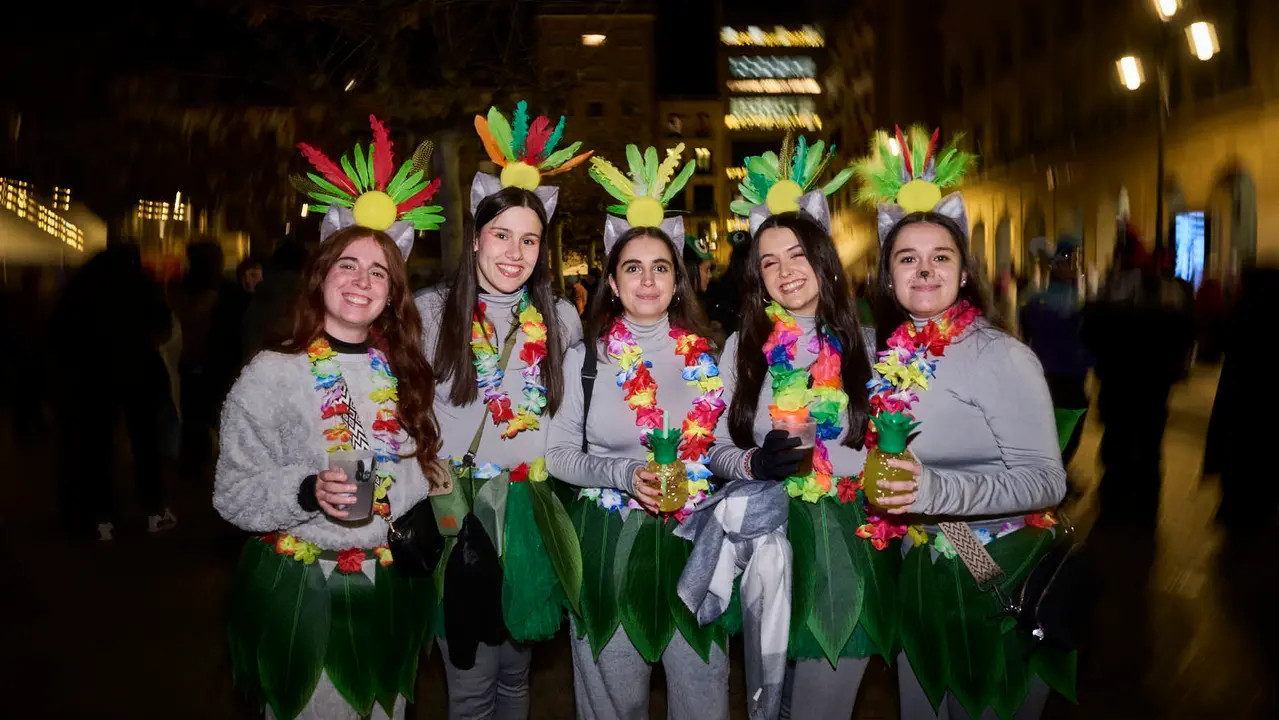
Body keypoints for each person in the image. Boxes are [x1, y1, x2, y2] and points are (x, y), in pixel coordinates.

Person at [216, 117, 447, 720]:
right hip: (306, 592)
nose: (362, 281)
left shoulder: (402, 371)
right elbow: (232, 492)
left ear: (392, 293)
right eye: (348, 265)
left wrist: (417, 473)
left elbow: (418, 477)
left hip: (388, 588)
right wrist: (305, 490)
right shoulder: (271, 373)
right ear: (321, 275)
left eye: (379, 273)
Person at [854, 126, 1070, 718]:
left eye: (940, 257)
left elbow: (1046, 480)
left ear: (965, 272)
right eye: (908, 259)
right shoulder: (897, 355)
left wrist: (935, 491)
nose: (924, 271)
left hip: (996, 573)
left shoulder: (1000, 354)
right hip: (924, 571)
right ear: (890, 278)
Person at [416, 101, 589, 719]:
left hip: (532, 509)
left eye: (529, 240)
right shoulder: (432, 314)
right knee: (469, 685)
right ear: (475, 235)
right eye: (501, 236)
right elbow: (399, 415)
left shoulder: (562, 321)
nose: (514, 253)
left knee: (516, 678)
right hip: (459, 512)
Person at [547, 142, 731, 720]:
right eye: (633, 267)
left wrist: (745, 462)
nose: (647, 280)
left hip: (697, 546)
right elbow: (557, 456)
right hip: (609, 548)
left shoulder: (712, 358)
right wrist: (623, 474)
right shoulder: (587, 359)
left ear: (678, 281)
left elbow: (721, 449)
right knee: (613, 705)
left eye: (660, 268)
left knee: (702, 699)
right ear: (613, 280)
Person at [709, 133, 890, 719]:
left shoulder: (871, 345)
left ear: (824, 258)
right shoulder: (743, 346)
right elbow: (714, 447)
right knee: (770, 706)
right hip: (764, 543)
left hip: (845, 546)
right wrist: (750, 463)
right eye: (769, 261)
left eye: (797, 255)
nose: (785, 271)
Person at [52, 241, 177, 540]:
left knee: (95, 446)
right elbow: (164, 328)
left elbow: (62, 334)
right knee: (145, 444)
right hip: (140, 372)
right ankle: (152, 510)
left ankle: (101, 518)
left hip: (93, 376)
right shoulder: (143, 286)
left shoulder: (82, 289)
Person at [1082, 224, 1194, 529]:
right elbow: (1183, 336)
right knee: (1140, 446)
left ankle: (1121, 504)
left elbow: (1091, 331)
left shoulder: (1120, 293)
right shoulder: (1169, 294)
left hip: (1128, 383)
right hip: (1145, 385)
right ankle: (1137, 506)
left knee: (1126, 445)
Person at [1020, 237, 1092, 465]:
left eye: (1075, 261)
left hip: (1051, 374)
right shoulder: (1073, 305)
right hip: (1065, 377)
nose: (1073, 267)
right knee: (1065, 431)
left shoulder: (1037, 301)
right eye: (1068, 260)